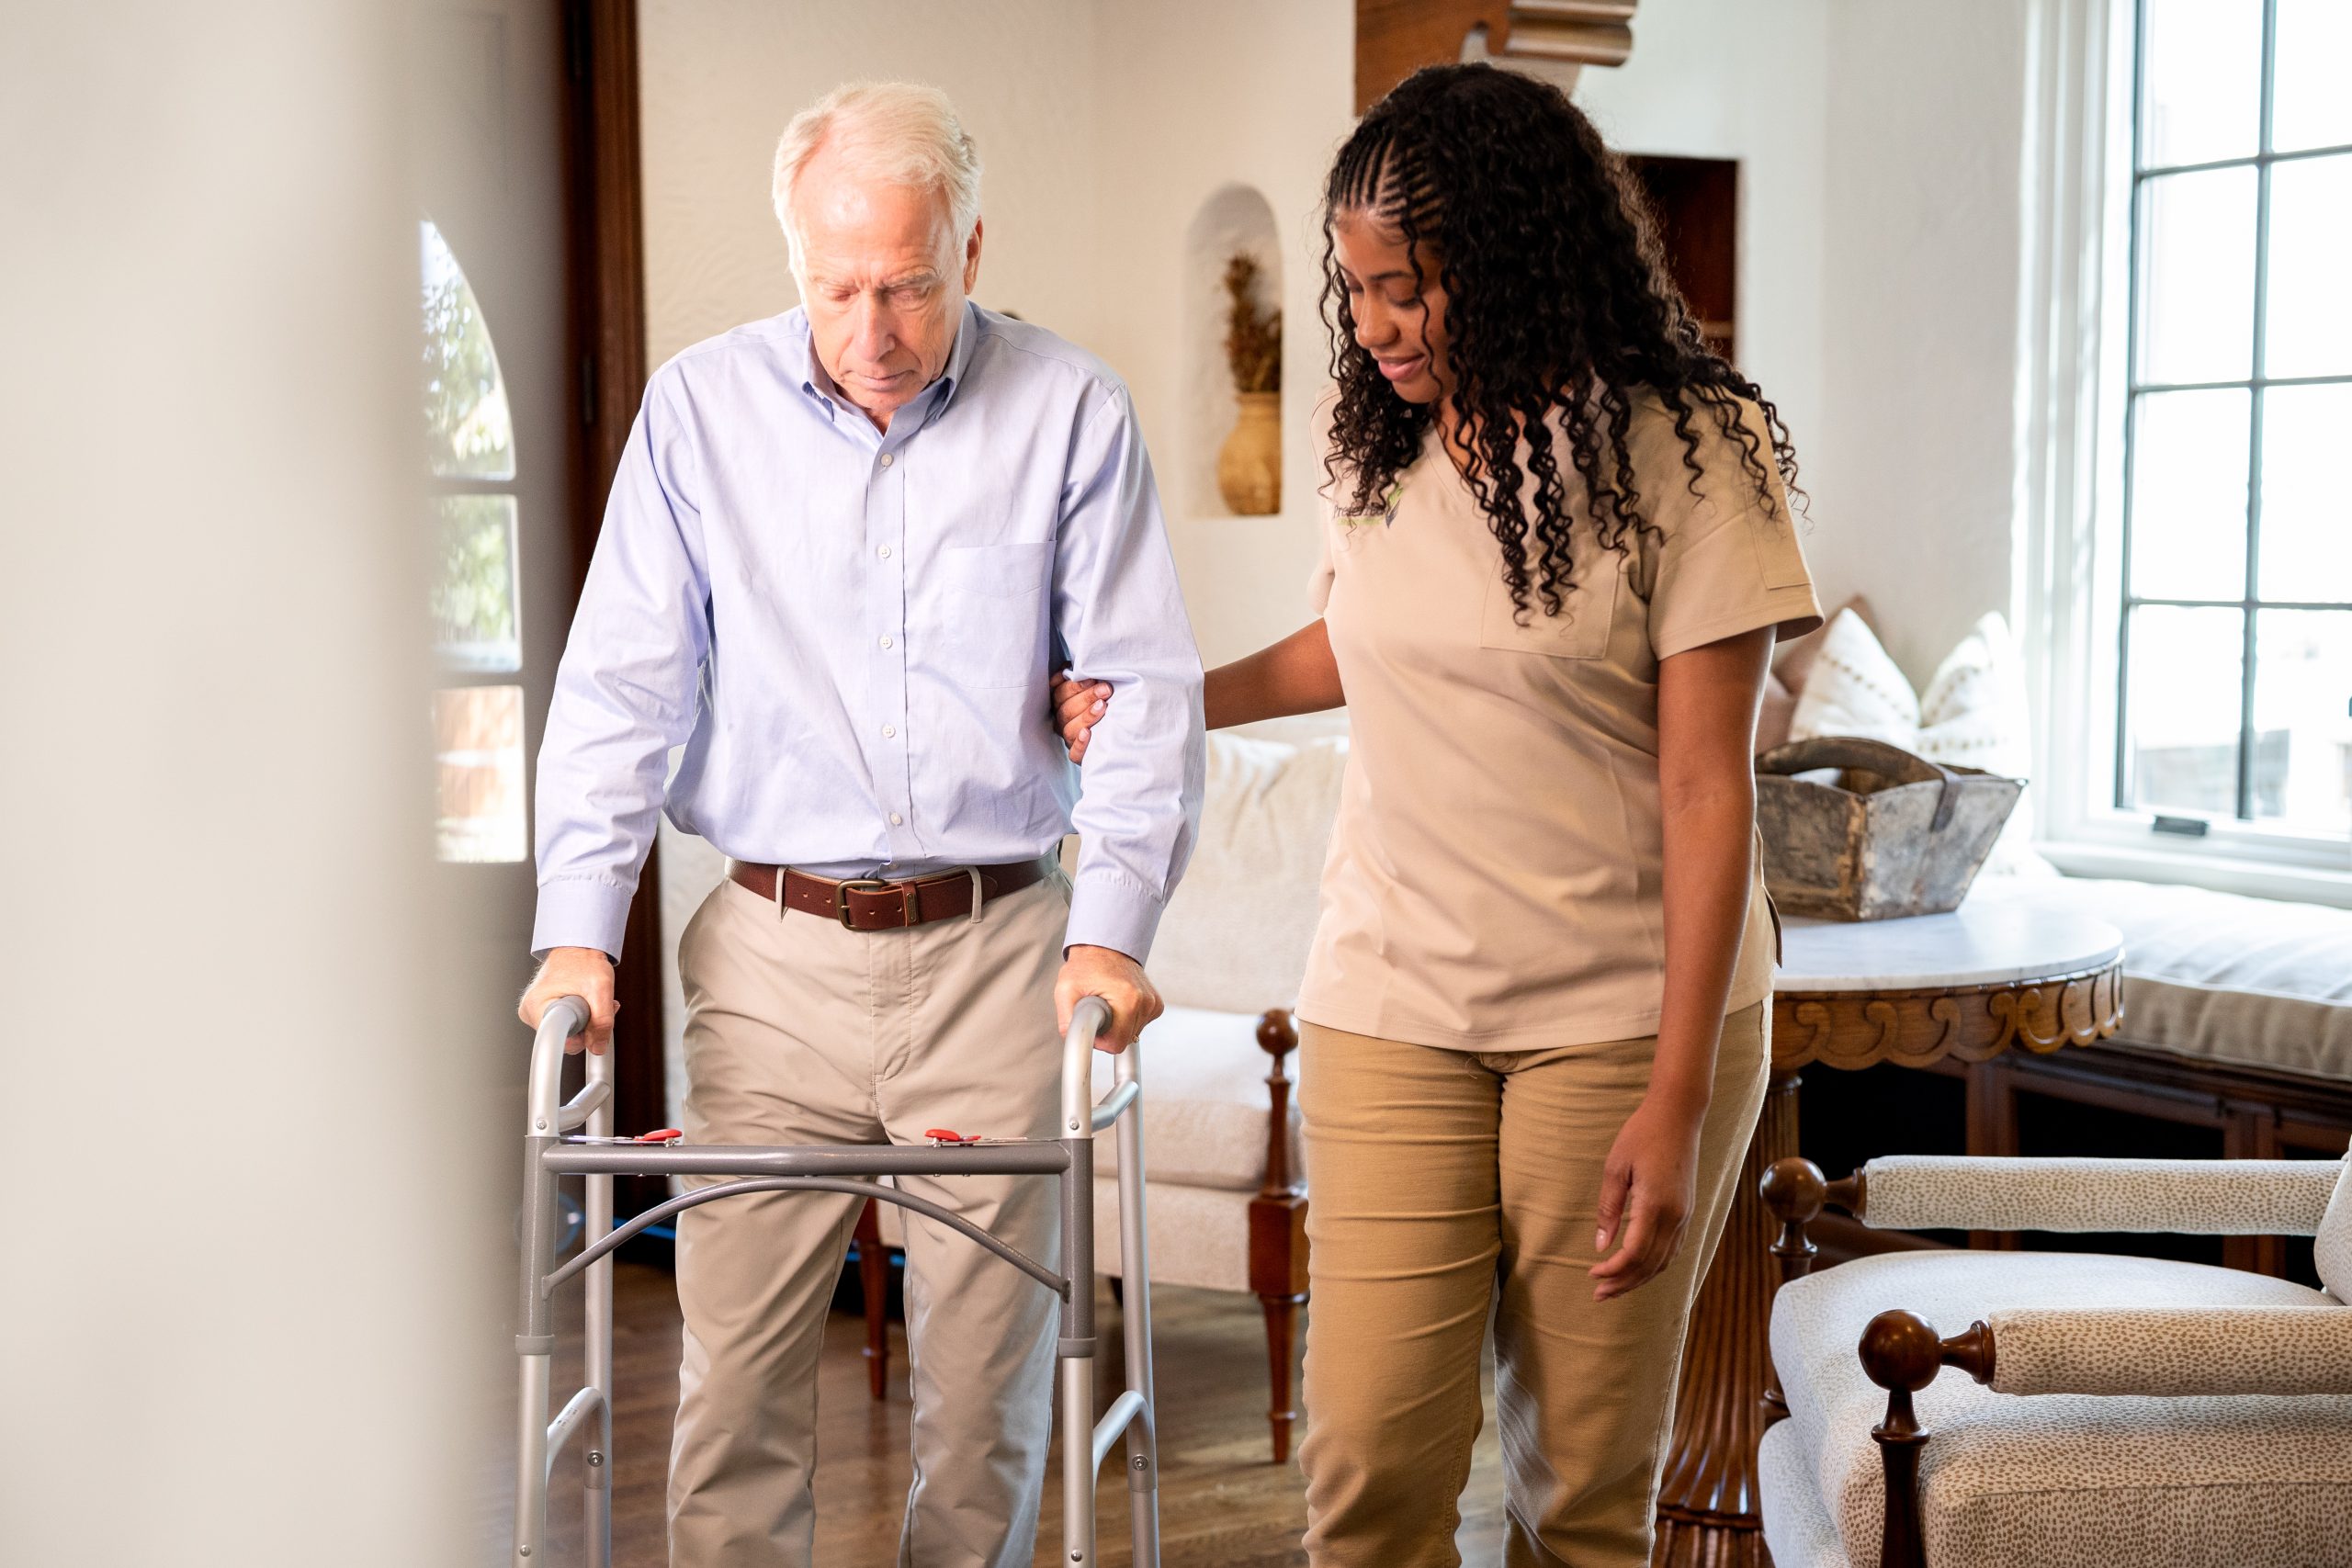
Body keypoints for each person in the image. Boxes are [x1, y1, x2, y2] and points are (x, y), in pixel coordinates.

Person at [1056, 62, 1820, 1568]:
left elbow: (1704, 785)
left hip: (1621, 1017)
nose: (1381, 328)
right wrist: (1160, 695)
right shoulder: (1380, 445)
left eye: (1405, 288)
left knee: (1583, 1493)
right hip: (1392, 999)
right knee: (1368, 1471)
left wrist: (1674, 1102)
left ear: (1515, 258)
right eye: (1359, 292)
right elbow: (1355, 644)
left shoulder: (1695, 455)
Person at [521, 81, 1204, 1568]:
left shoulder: (1072, 409)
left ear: (972, 246)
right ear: (795, 262)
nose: (875, 329)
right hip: (772, 955)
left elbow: (1145, 692)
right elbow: (621, 686)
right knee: (737, 1391)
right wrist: (577, 932)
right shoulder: (699, 414)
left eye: (907, 284)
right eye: (838, 288)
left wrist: (1114, 934)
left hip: (1001, 950)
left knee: (987, 1401)